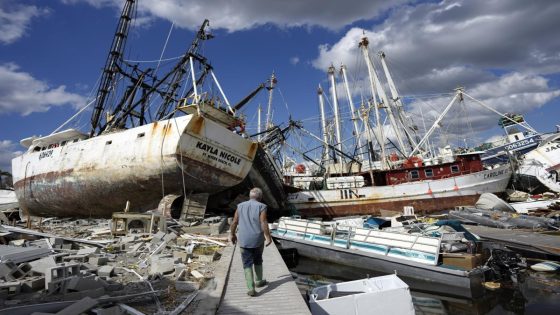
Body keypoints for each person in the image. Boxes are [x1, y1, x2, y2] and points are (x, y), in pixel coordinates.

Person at [230, 187, 272, 296]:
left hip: (244, 240)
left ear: (250, 196)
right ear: (260, 197)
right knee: (258, 259)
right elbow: (263, 222)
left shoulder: (240, 206)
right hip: (258, 240)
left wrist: (232, 234)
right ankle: (259, 281)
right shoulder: (262, 206)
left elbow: (234, 222)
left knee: (247, 263)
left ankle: (251, 288)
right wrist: (268, 237)